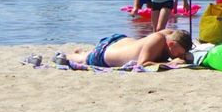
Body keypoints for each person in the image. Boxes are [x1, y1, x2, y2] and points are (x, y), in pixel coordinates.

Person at [64, 28, 192, 68]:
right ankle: (68, 55)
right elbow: (142, 64)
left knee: (85, 54)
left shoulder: (170, 33)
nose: (180, 56)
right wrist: (171, 63)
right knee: (83, 59)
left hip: (120, 42)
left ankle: (81, 51)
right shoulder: (158, 40)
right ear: (171, 44)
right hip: (103, 54)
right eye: (180, 53)